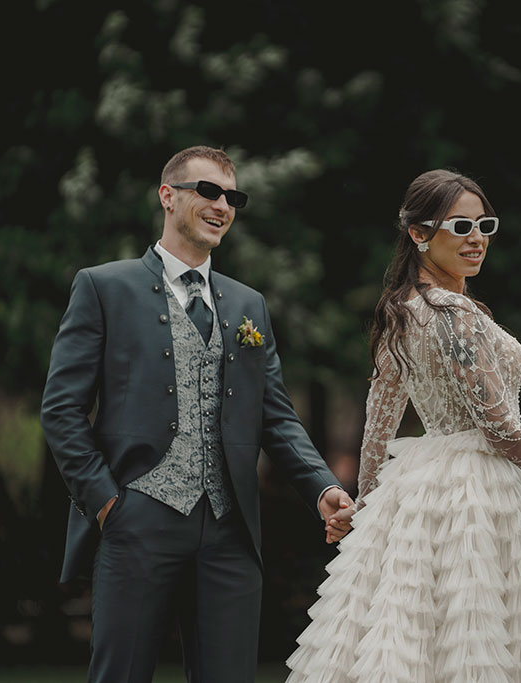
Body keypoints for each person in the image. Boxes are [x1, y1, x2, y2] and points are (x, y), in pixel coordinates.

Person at [285, 169, 521, 682]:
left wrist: (364, 513)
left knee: (421, 642)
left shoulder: (403, 311)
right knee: (483, 641)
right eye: (460, 226)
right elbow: (500, 430)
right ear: (418, 233)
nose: (477, 238)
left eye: (484, 225)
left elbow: (377, 429)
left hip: (419, 499)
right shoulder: (454, 313)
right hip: (480, 499)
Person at [41, 145, 354, 683]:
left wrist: (323, 488)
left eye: (233, 197)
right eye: (208, 191)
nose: (222, 205)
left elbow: (275, 417)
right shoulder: (103, 287)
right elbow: (61, 410)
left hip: (230, 532)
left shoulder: (247, 305)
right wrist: (106, 502)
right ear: (168, 196)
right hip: (136, 518)